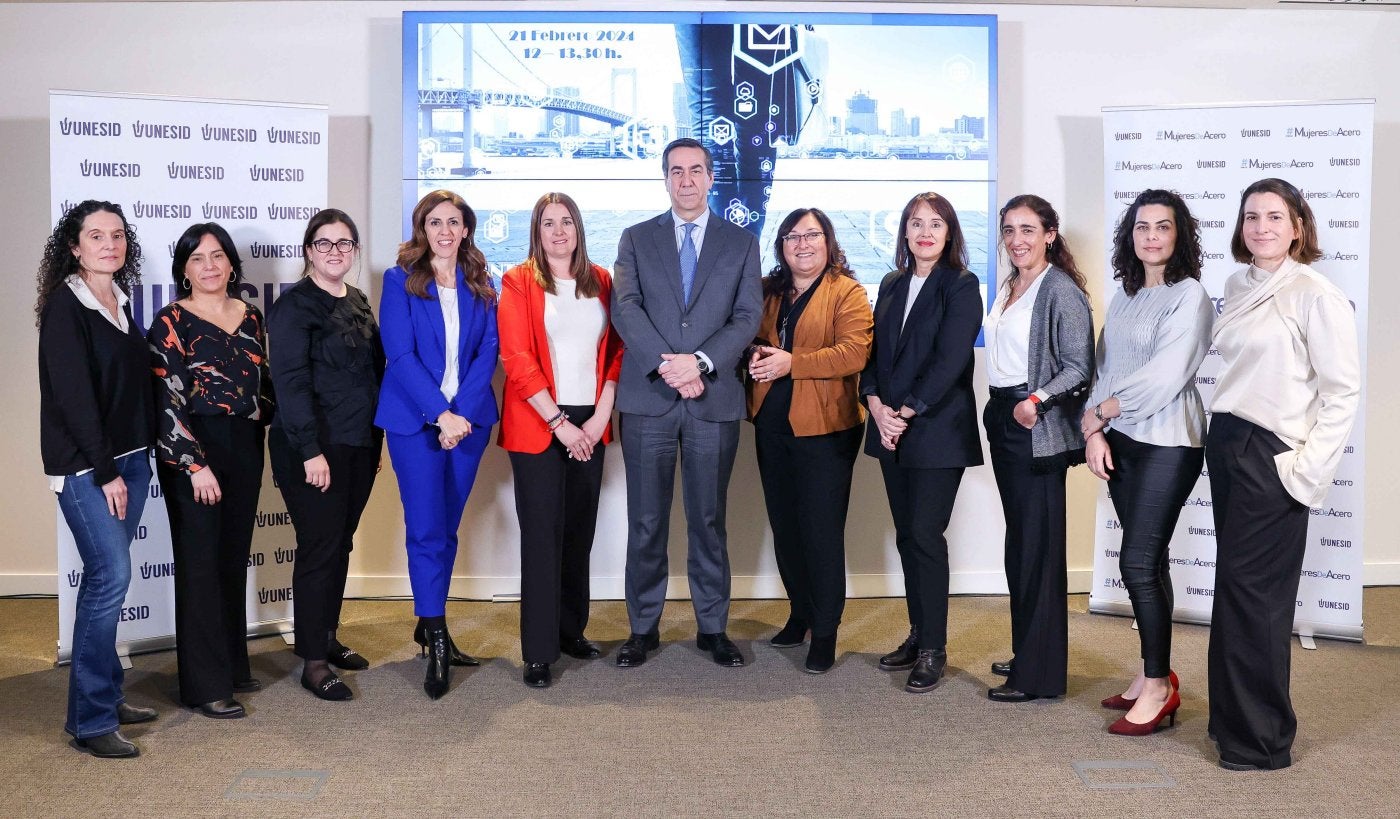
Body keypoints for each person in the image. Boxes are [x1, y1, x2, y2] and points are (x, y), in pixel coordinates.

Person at [1207, 178, 1359, 771]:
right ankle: (1231, 724)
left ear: (1299, 226)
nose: (1261, 227)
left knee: (1259, 599)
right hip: (1228, 443)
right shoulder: (1237, 283)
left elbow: (1343, 394)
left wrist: (1303, 473)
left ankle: (1263, 742)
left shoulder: (1314, 294)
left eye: (1275, 216)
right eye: (1251, 217)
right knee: (1235, 593)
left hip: (1272, 451)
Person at [610, 137, 763, 668]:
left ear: (711, 177)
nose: (687, 180)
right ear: (665, 178)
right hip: (649, 398)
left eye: (696, 170)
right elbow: (625, 308)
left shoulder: (741, 242)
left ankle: (712, 628)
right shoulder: (635, 238)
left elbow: (746, 317)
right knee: (646, 521)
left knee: (708, 519)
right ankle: (643, 628)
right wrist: (669, 364)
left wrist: (698, 363)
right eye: (676, 171)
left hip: (712, 399)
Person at [1080, 190, 1213, 734]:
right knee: (1148, 564)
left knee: (1137, 562)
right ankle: (1150, 672)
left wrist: (1102, 413)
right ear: (1129, 236)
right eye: (1141, 227)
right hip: (1123, 440)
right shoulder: (1127, 294)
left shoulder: (1191, 296)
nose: (1151, 236)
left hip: (1168, 442)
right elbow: (1106, 367)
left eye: (1163, 227)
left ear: (1179, 235)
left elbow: (1166, 375)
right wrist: (1095, 428)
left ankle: (1159, 689)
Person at [37, 200, 157, 758]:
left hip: (130, 458)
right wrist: (106, 470)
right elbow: (75, 398)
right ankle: (90, 720)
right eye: (95, 236)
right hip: (90, 467)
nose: (108, 244)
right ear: (74, 246)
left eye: (116, 235)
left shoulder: (119, 302)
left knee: (105, 580)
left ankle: (104, 696)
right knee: (110, 576)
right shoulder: (68, 306)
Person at [376, 190, 499, 699]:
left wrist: (461, 415)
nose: (444, 230)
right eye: (434, 222)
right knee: (426, 529)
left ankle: (431, 623)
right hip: (416, 424)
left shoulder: (482, 283)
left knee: (446, 528)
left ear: (466, 228)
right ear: (421, 228)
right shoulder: (399, 280)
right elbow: (399, 356)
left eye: (454, 221)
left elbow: (488, 352)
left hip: (468, 425)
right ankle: (438, 635)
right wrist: (440, 413)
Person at [498, 193, 623, 689]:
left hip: (591, 422)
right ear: (537, 230)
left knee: (579, 532)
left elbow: (616, 352)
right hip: (539, 422)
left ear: (578, 228)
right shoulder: (518, 281)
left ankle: (572, 630)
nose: (558, 231)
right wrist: (559, 424)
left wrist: (598, 419)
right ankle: (538, 651)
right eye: (548, 223)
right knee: (542, 535)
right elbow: (516, 357)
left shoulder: (602, 282)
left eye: (566, 221)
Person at [859, 192, 984, 692]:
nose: (925, 232)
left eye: (936, 223)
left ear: (950, 232)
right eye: (916, 223)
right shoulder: (891, 283)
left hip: (935, 432)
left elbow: (951, 360)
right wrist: (875, 406)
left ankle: (935, 648)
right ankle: (917, 634)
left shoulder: (963, 284)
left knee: (926, 537)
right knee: (907, 535)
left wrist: (905, 411)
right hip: (890, 429)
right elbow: (872, 355)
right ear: (904, 232)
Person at [149, 223, 273, 719]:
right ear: (184, 268)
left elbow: (263, 384)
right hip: (193, 451)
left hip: (244, 446)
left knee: (231, 557)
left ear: (231, 264)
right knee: (200, 565)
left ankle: (232, 664)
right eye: (198, 258)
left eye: (218, 256)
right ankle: (204, 685)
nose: (210, 266)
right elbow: (166, 402)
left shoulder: (252, 316)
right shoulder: (170, 320)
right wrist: (194, 463)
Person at [747, 207, 873, 675]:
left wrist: (789, 362)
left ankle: (825, 632)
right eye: (792, 236)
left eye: (812, 235)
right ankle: (799, 614)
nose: (803, 244)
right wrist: (756, 355)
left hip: (827, 432)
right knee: (786, 528)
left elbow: (854, 352)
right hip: (772, 426)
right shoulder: (768, 291)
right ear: (781, 246)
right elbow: (748, 338)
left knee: (820, 534)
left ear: (828, 242)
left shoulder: (848, 292)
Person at [982, 194, 1093, 703]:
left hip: (1035, 427)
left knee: (1038, 551)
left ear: (1050, 234)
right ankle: (1030, 652)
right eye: (1009, 230)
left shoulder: (1060, 290)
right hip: (1004, 418)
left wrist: (1037, 401)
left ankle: (1039, 675)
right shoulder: (1009, 286)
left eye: (1028, 230)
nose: (1017, 240)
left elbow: (1079, 365)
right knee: (1020, 547)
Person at [269, 209, 383, 702]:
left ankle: (327, 636)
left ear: (354, 251)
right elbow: (291, 386)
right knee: (319, 548)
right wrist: (312, 452)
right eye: (324, 242)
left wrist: (373, 445)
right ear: (308, 250)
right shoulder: (294, 307)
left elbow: (370, 377)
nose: (335, 251)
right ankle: (313, 662)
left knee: (340, 544)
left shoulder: (357, 300)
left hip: (358, 445)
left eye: (344, 243)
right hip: (311, 449)